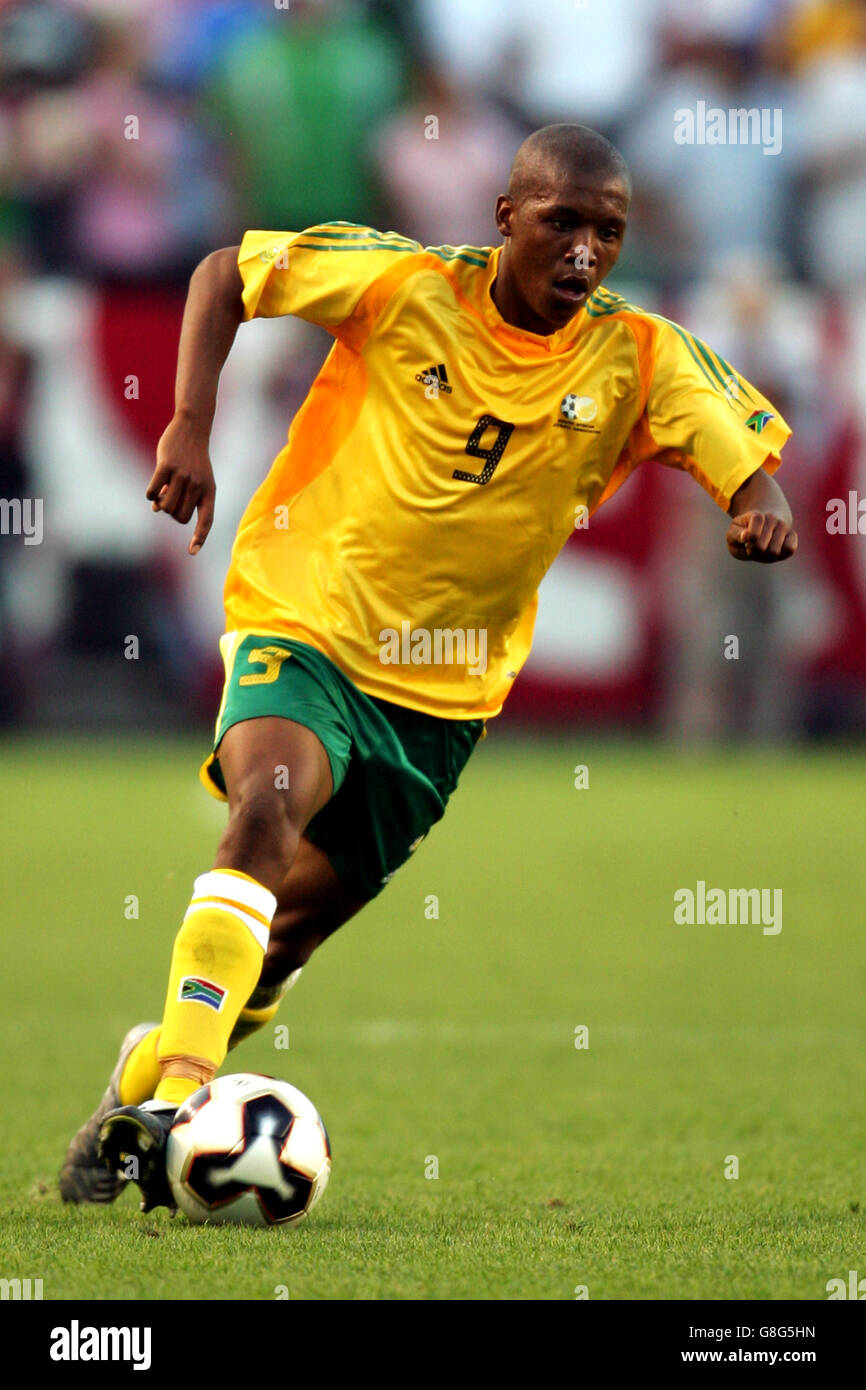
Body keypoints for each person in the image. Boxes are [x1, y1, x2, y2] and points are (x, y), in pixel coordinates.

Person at [59, 124, 797, 1211]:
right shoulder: (403, 283)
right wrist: (186, 424)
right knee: (260, 818)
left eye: (608, 231)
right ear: (505, 217)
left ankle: (136, 1082)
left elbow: (744, 460)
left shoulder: (639, 353)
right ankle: (179, 1102)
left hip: (441, 696)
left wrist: (759, 507)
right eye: (561, 222)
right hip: (307, 618)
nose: (585, 250)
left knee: (278, 944)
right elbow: (226, 274)